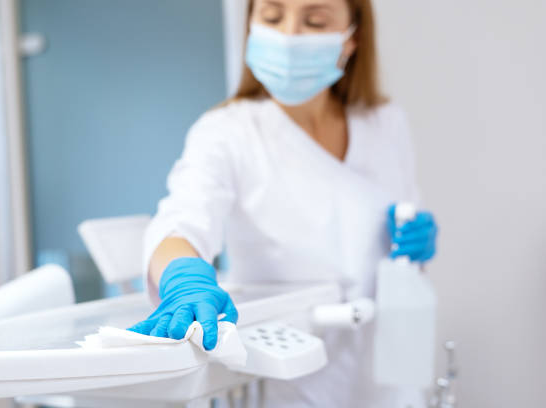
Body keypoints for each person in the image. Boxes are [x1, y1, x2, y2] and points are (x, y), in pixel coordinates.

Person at [129, 0, 438, 406]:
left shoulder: (384, 122)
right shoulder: (228, 131)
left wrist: (418, 245)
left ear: (352, 38)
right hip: (289, 382)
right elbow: (180, 222)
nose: (289, 35)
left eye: (314, 20)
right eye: (272, 17)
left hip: (387, 378)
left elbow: (404, 228)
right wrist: (183, 276)